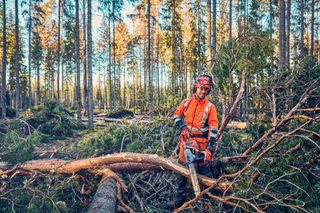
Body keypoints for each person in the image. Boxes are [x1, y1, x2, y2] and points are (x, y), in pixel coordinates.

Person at [166, 74, 219, 209]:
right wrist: (182, 127)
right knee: (181, 173)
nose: (202, 92)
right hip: (186, 142)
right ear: (195, 87)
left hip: (201, 144)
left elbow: (213, 130)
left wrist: (209, 149)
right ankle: (179, 200)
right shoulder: (186, 103)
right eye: (200, 88)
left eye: (205, 89)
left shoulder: (210, 107)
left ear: (208, 90)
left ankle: (212, 201)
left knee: (205, 173)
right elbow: (176, 116)